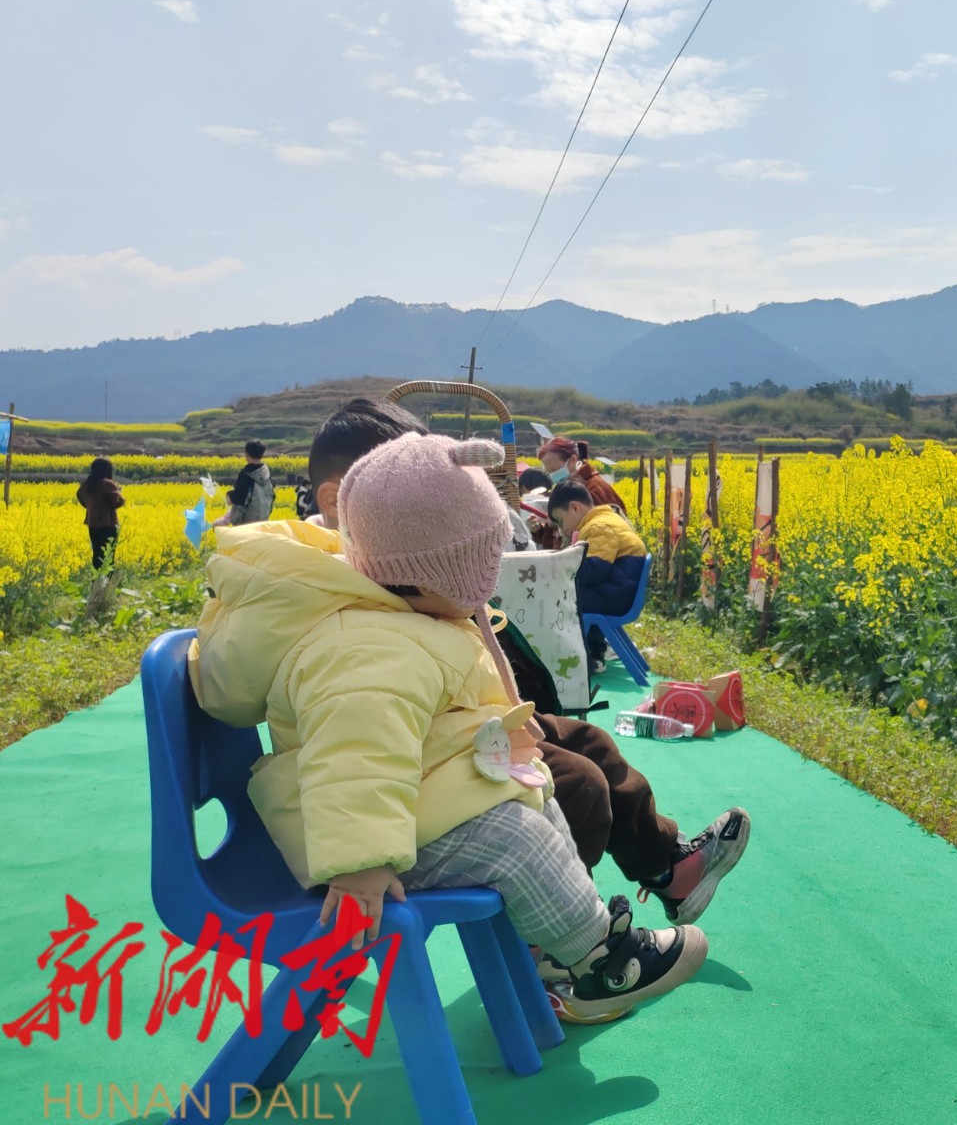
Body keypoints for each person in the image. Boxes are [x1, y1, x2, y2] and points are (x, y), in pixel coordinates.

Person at [190, 432, 710, 1021]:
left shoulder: (396, 614)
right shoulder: (365, 648)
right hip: (361, 843)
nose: (487, 585)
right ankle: (599, 963)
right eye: (477, 571)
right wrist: (361, 864)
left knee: (536, 796)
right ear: (422, 575)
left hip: (414, 802)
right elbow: (356, 760)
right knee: (514, 838)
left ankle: (567, 947)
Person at [301, 399, 749, 942]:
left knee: (588, 741)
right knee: (577, 785)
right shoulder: (338, 596)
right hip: (429, 760)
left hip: (452, 726)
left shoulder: (387, 572)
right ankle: (556, 944)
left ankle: (666, 867)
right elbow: (359, 743)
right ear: (339, 499)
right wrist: (361, 855)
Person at [547, 480, 647, 677]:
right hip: (619, 591)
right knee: (577, 597)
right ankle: (594, 652)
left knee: (563, 599)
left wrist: (563, 568)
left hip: (615, 596)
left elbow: (595, 570)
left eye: (561, 520)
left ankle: (589, 655)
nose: (562, 528)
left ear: (574, 507)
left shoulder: (599, 526)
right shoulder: (606, 519)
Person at [538, 436, 627, 516]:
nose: (553, 475)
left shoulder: (595, 489)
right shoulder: (566, 488)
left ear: (573, 460)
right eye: (549, 472)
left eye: (555, 470)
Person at [76, 457, 124, 570]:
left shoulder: (87, 485)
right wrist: (120, 497)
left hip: (92, 524)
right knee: (108, 558)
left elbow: (79, 495)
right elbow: (116, 502)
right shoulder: (108, 484)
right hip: (108, 524)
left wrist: (90, 507)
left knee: (97, 555)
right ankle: (106, 580)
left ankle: (96, 578)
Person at [213, 440, 274, 529]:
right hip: (263, 522)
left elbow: (239, 498)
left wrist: (229, 496)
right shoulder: (266, 474)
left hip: (247, 524)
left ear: (247, 454)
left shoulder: (246, 474)